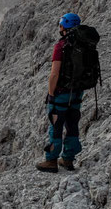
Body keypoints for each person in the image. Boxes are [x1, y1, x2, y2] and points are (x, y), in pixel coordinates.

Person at [36, 13, 85, 173]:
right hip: (77, 92)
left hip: (62, 93)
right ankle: (68, 159)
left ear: (64, 26)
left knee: (56, 126)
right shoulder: (84, 44)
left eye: (61, 25)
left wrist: (51, 94)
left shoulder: (61, 46)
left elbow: (54, 74)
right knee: (72, 125)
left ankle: (51, 161)